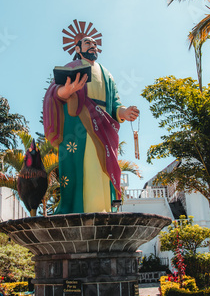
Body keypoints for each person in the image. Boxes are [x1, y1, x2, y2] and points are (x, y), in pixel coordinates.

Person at [44, 35, 139, 214]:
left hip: (103, 123)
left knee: (102, 164)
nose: (93, 46)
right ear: (78, 49)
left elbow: (115, 103)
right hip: (78, 123)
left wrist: (124, 112)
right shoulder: (72, 68)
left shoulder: (106, 73)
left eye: (95, 44)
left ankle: (104, 208)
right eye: (88, 43)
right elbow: (56, 93)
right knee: (82, 166)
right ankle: (78, 209)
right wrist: (68, 90)